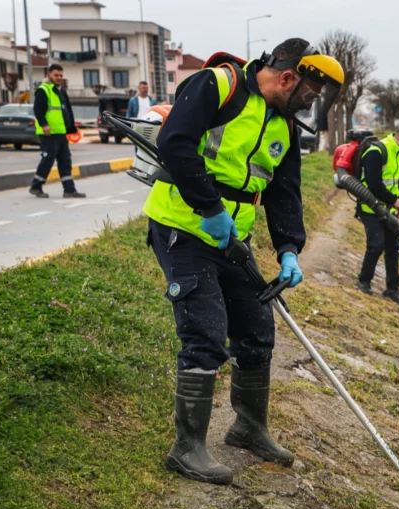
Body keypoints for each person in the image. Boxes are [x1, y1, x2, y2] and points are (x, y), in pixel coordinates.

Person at [142, 39, 344, 484]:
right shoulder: (218, 85)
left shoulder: (284, 126)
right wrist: (211, 211)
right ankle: (187, 448)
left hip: (236, 238)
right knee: (206, 332)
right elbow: (176, 144)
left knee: (257, 329)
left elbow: (283, 192)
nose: (308, 106)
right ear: (288, 77)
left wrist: (290, 248)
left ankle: (249, 427)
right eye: (307, 95)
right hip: (184, 225)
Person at [355, 123, 399, 307]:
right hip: (370, 208)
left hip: (388, 208)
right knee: (375, 245)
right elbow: (374, 185)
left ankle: (392, 289)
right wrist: (394, 200)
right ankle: (363, 282)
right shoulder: (377, 151)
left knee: (393, 247)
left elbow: (397, 183)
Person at [29, 64, 85, 199]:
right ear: (49, 75)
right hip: (48, 133)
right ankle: (36, 186)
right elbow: (37, 110)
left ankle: (69, 190)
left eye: (61, 75)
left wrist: (71, 127)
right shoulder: (44, 90)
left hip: (60, 132)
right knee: (48, 159)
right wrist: (44, 125)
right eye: (56, 75)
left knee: (65, 160)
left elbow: (67, 110)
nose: (59, 78)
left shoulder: (61, 91)